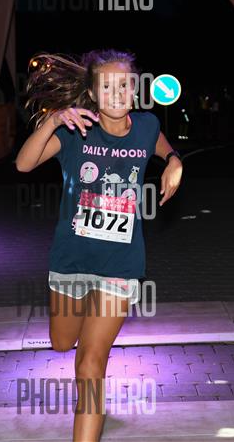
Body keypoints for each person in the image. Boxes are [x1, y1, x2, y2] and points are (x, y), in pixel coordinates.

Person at [16, 50, 183, 442]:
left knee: (90, 363)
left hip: (120, 264)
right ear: (92, 93)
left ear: (135, 88)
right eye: (106, 86)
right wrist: (54, 120)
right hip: (71, 260)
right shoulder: (76, 130)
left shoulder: (146, 125)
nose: (117, 92)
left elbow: (159, 143)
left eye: (124, 84)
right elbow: (24, 165)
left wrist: (175, 160)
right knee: (62, 343)